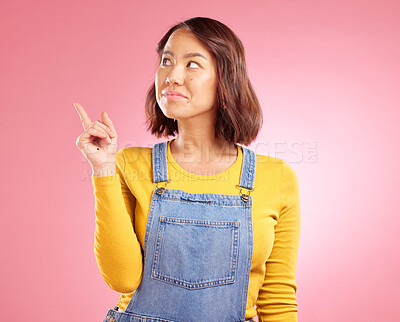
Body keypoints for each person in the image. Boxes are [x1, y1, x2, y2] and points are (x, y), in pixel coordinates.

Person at [75, 17, 300, 322]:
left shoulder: (276, 178)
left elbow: (277, 299)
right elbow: (123, 279)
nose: (172, 76)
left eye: (192, 64)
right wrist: (103, 170)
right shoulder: (130, 164)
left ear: (226, 77)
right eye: (166, 61)